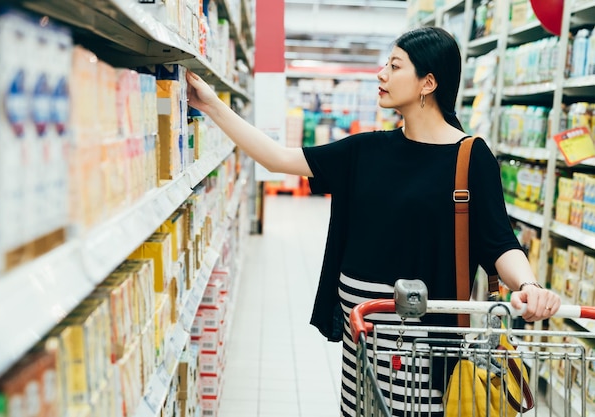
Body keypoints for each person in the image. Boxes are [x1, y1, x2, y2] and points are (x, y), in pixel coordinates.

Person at [186, 26, 561, 417]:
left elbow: (499, 240)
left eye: (394, 66)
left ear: (427, 82)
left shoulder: (470, 157)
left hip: (427, 340)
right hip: (362, 332)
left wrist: (529, 285)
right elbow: (278, 158)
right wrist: (212, 106)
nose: (381, 74)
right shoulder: (366, 150)